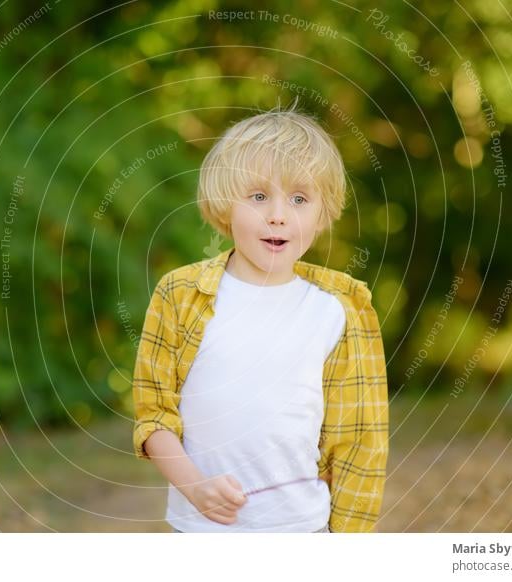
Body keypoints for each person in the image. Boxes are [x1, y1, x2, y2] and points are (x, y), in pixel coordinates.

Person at [132, 100, 389, 533]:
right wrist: (195, 488)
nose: (278, 214)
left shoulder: (339, 310)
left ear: (322, 213)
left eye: (300, 198)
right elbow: (153, 413)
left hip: (301, 531)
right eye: (257, 196)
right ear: (225, 205)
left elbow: (358, 441)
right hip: (200, 531)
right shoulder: (180, 296)